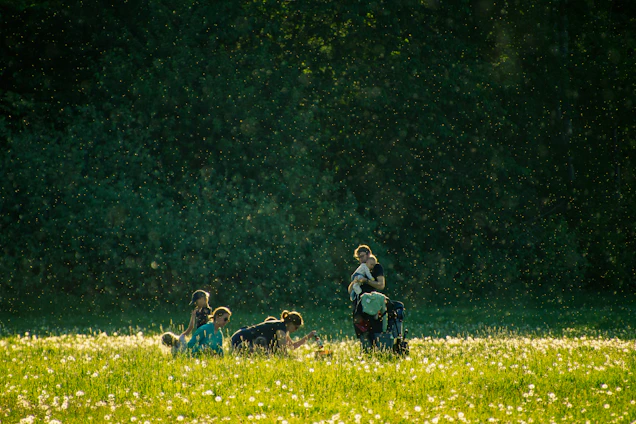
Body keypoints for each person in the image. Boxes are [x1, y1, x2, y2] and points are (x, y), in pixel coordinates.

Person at [346, 245, 386, 340]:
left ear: (368, 254)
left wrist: (366, 281)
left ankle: (376, 348)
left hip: (371, 301)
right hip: (359, 303)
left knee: (373, 329)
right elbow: (350, 290)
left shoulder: (376, 267)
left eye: (362, 256)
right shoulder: (361, 269)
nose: (360, 260)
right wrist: (354, 282)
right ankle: (365, 349)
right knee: (360, 330)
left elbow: (381, 285)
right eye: (358, 257)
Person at [230, 310, 316, 354]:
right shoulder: (280, 328)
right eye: (296, 327)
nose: (296, 330)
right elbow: (283, 351)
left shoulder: (283, 328)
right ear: (290, 323)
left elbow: (291, 346)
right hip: (241, 338)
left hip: (241, 336)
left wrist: (309, 336)